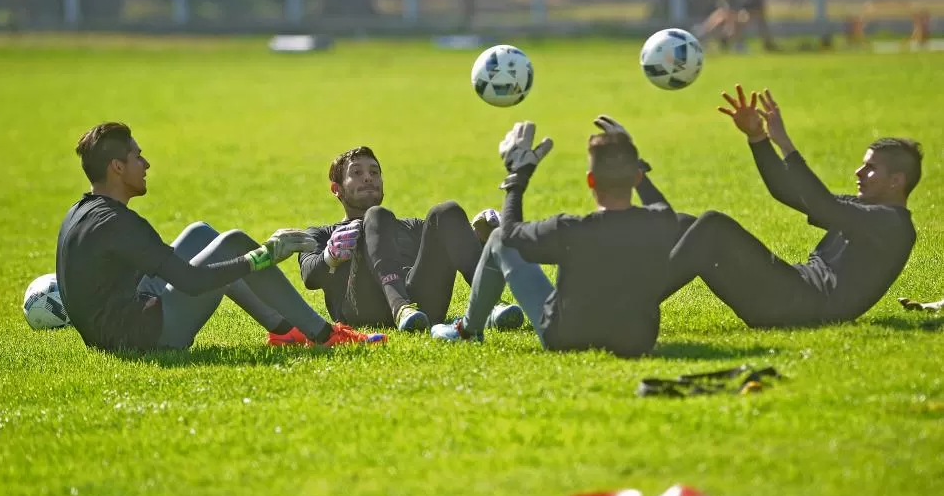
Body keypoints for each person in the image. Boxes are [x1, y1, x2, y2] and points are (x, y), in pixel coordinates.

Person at [56, 122, 385, 352]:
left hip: (114, 326)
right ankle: (324, 334)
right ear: (116, 167)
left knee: (200, 234)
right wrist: (265, 255)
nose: (146, 164)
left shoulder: (82, 211)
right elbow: (193, 282)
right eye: (137, 157)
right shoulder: (119, 223)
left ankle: (285, 331)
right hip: (143, 338)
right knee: (234, 243)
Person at [664, 85, 922, 328]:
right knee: (687, 224)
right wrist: (758, 138)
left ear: (895, 181)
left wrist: (786, 145)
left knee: (713, 226)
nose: (859, 172)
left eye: (871, 168)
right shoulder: (864, 209)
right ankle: (629, 292)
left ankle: (637, 307)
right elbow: (788, 192)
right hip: (791, 294)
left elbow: (824, 207)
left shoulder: (892, 225)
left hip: (804, 307)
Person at [430, 118, 682, 358]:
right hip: (638, 338)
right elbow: (662, 209)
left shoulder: (571, 230)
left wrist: (518, 175)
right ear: (637, 176)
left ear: (590, 180)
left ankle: (467, 331)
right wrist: (630, 159)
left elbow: (509, 236)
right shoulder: (659, 222)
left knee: (496, 239)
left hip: (567, 337)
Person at [298, 146, 524, 332]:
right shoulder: (323, 234)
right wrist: (330, 257)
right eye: (356, 173)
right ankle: (400, 308)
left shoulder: (409, 226)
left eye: (374, 173)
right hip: (362, 309)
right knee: (375, 216)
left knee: (446, 212)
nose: (368, 178)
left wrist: (483, 236)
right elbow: (309, 276)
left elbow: (453, 247)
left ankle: (488, 304)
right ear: (336, 189)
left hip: (423, 308)